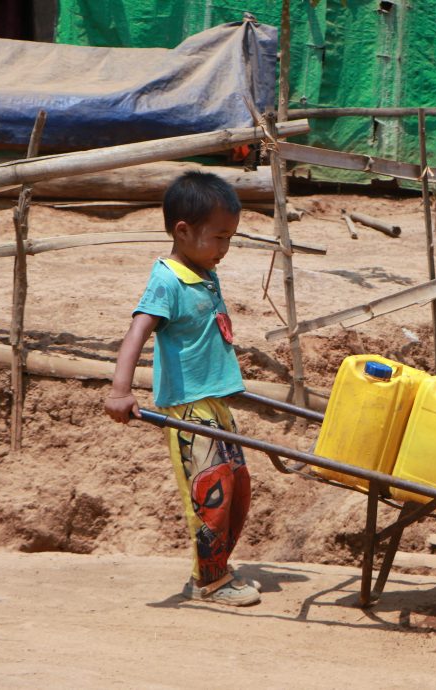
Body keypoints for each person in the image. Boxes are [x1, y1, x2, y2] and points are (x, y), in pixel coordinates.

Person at [104, 171, 259, 607]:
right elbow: (137, 331)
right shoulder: (168, 281)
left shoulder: (202, 270)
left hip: (216, 402)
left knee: (237, 489)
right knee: (211, 495)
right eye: (219, 238)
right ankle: (208, 581)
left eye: (231, 239)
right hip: (190, 410)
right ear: (184, 231)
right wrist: (120, 389)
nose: (225, 249)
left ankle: (219, 568)